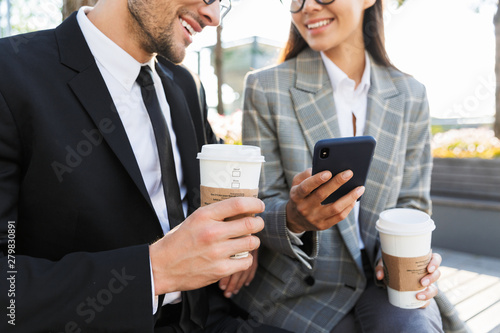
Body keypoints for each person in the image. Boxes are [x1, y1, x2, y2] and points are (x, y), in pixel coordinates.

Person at [0, 0, 291, 332]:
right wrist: (155, 271)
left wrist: (267, 223)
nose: (212, 18)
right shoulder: (10, 73)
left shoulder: (185, 85)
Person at [231, 0, 467, 332]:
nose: (307, 7)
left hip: (385, 277)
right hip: (302, 287)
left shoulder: (410, 94)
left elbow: (413, 202)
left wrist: (403, 255)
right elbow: (259, 204)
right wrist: (294, 217)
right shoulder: (266, 88)